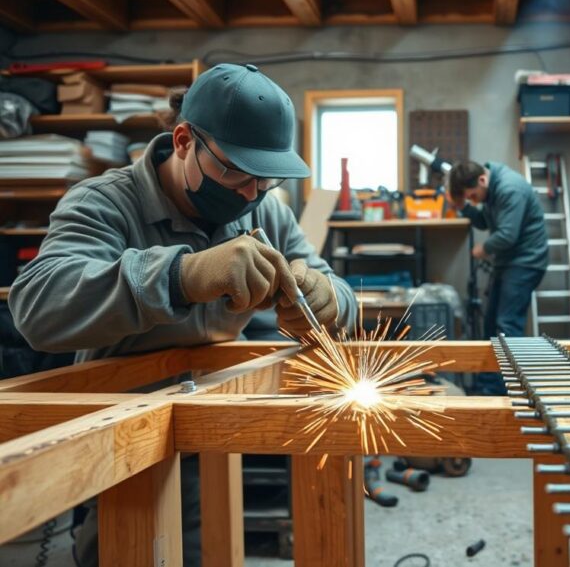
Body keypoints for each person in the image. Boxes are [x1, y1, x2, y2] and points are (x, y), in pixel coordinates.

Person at [8, 63, 357, 566]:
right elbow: (36, 306)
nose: (248, 193)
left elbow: (335, 287)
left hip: (210, 427)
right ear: (184, 140)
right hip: (120, 434)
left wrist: (328, 298)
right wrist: (181, 277)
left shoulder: (265, 208)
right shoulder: (106, 202)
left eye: (264, 177)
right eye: (234, 171)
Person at [448, 160, 548, 394]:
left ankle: (510, 393)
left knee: (507, 326)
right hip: (508, 262)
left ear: (482, 180)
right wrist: (463, 206)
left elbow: (507, 235)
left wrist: (483, 249)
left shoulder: (510, 189)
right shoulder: (490, 188)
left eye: (473, 196)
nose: (474, 201)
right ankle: (489, 389)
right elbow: (485, 222)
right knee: (491, 325)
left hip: (526, 262)